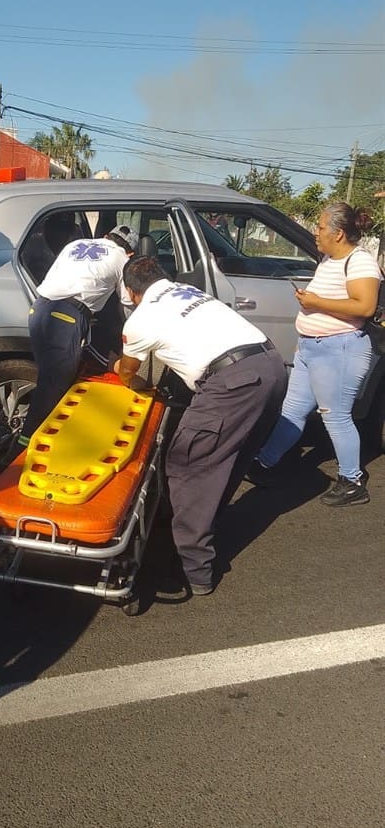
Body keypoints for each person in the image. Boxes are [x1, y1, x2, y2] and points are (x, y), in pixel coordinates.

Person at [114, 256, 287, 595]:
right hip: (271, 367)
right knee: (228, 457)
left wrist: (126, 373)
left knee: (188, 464)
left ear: (132, 292)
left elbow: (126, 372)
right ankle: (203, 524)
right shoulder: (187, 291)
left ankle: (192, 570)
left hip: (233, 384)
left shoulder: (141, 318)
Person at [247, 202, 381, 506]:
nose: (315, 232)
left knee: (335, 417)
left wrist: (317, 303)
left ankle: (353, 481)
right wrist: (306, 335)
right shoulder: (329, 259)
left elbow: (365, 307)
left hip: (340, 349)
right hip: (313, 348)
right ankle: (265, 463)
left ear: (339, 233)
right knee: (292, 411)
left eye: (321, 227)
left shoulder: (359, 261)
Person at [19, 224, 139, 445]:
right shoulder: (122, 259)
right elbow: (126, 303)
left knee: (48, 377)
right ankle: (24, 448)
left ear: (105, 236)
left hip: (39, 309)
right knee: (53, 385)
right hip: (67, 316)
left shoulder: (75, 244)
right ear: (130, 252)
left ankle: (40, 439)